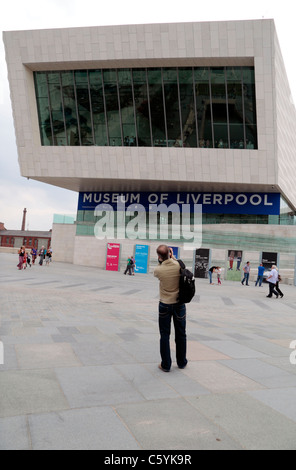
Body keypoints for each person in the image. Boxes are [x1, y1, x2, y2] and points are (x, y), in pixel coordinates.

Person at [154, 245, 187, 372]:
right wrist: (173, 257)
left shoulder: (158, 270)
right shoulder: (178, 265)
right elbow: (182, 266)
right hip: (179, 304)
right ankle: (182, 362)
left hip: (164, 304)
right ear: (170, 253)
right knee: (181, 334)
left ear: (159, 256)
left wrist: (162, 260)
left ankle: (166, 364)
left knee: (164, 335)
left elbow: (160, 266)